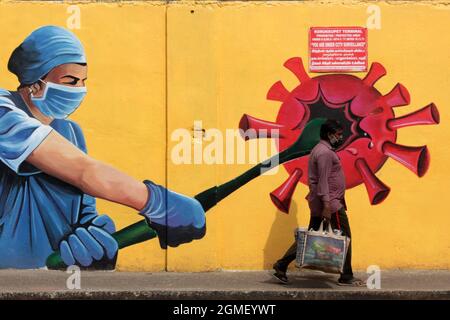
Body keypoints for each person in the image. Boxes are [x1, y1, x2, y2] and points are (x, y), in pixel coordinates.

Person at [0, 25, 205, 269]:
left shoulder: (71, 133)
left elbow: (83, 207)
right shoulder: (4, 112)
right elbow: (82, 171)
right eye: (70, 81)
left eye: (83, 81)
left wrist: (93, 244)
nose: (78, 90)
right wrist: (157, 203)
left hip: (51, 275)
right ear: (35, 82)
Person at [272, 119, 364, 286]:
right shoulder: (324, 153)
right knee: (345, 236)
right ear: (329, 135)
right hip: (331, 204)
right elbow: (322, 181)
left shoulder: (322, 150)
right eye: (339, 134)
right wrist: (327, 205)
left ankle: (281, 265)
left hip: (324, 201)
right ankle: (347, 275)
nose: (341, 137)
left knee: (311, 237)